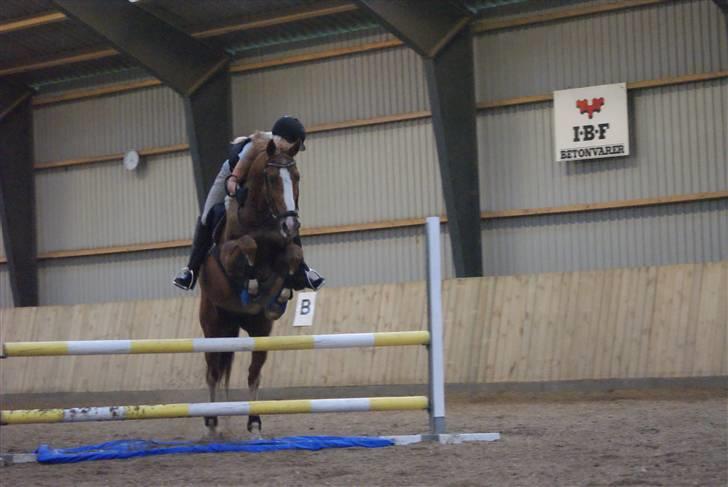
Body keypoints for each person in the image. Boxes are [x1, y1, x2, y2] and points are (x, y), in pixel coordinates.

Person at [172, 116, 325, 292]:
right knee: (207, 215)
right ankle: (191, 270)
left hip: (261, 183)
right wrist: (237, 192)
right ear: (283, 140)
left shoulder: (283, 156)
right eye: (295, 146)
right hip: (232, 176)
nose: (296, 151)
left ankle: (303, 269)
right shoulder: (255, 148)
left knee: (287, 214)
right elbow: (232, 180)